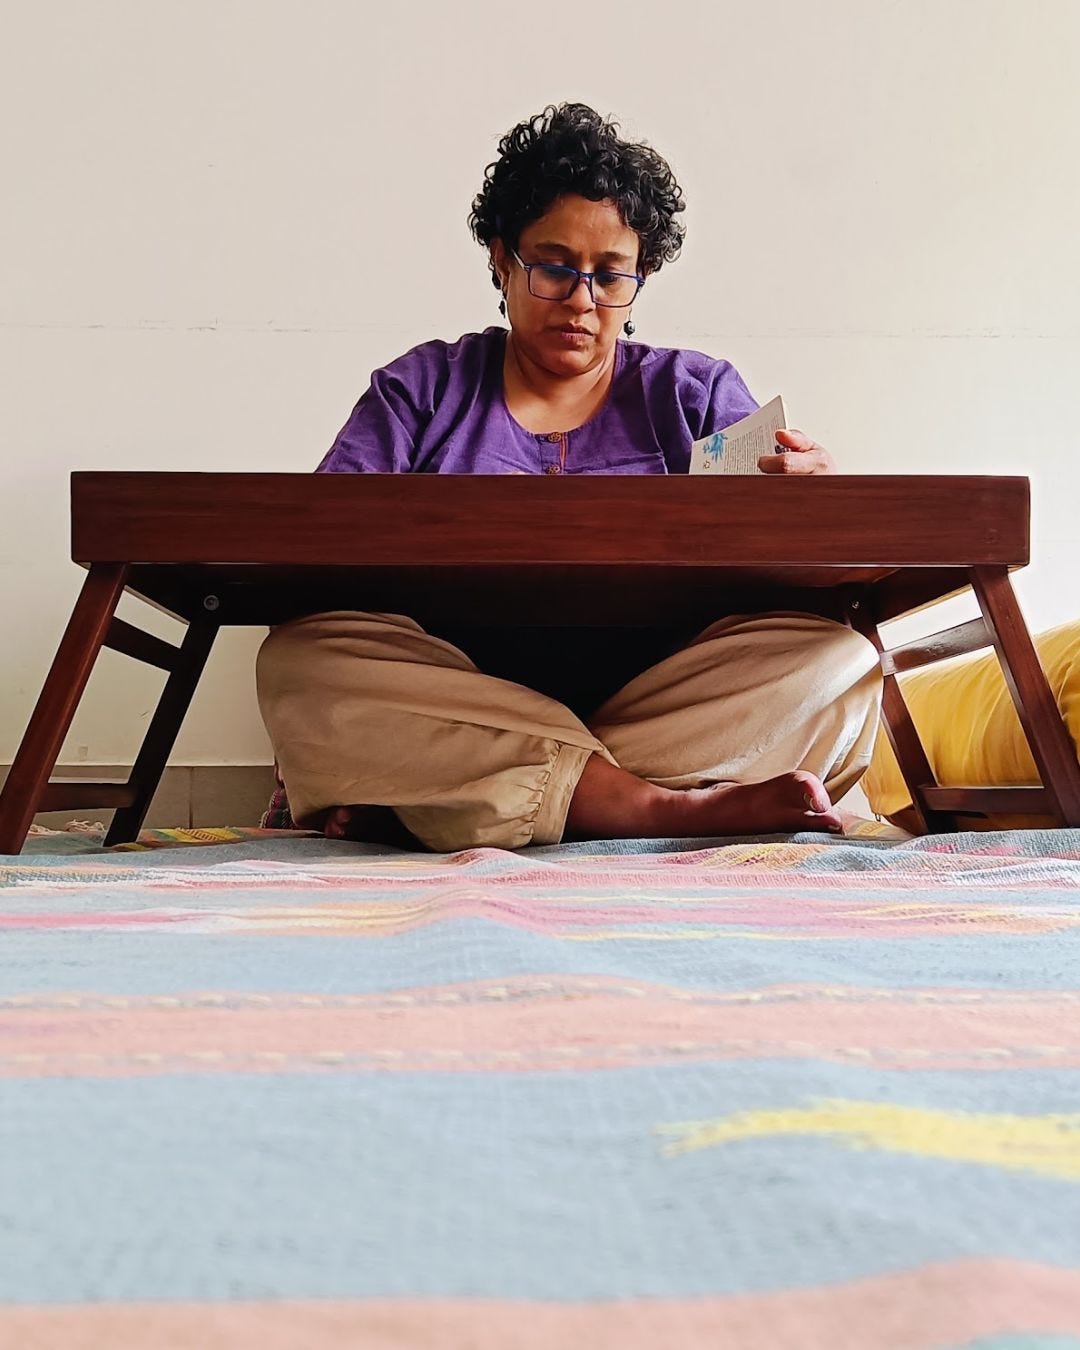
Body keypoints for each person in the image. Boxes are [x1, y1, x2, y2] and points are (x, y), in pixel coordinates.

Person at [257, 103, 882, 851]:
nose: (582, 300)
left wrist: (816, 501)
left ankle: (450, 798)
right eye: (554, 267)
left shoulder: (695, 393)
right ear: (502, 260)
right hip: (454, 685)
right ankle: (653, 805)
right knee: (304, 660)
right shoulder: (421, 389)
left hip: (655, 701)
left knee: (838, 663)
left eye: (611, 275)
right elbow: (319, 551)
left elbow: (786, 566)